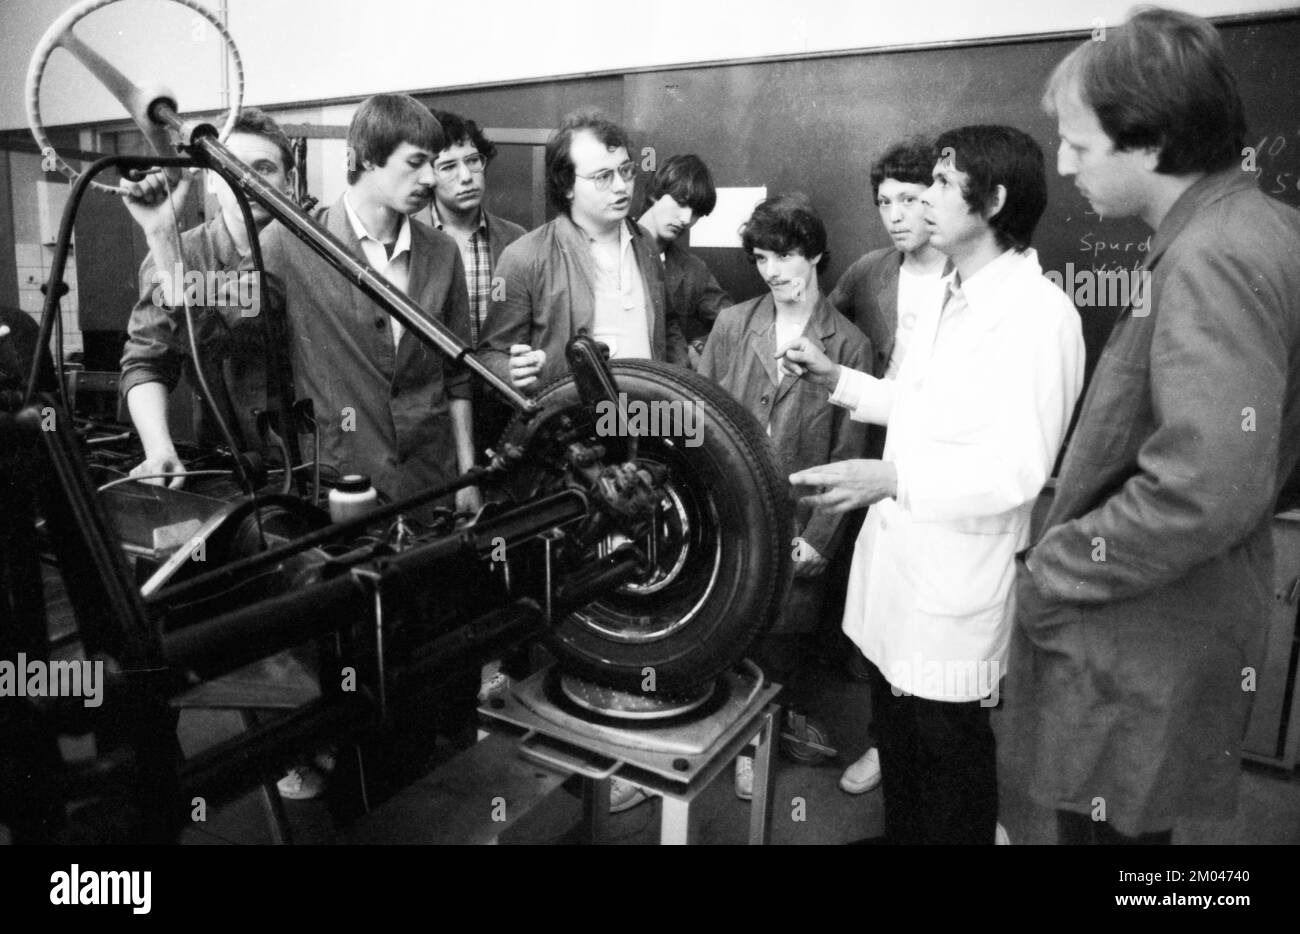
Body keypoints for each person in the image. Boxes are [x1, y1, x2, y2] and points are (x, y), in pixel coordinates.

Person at [1019, 6, 1300, 845]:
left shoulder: (1212, 254)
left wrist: (1056, 564)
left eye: (1079, 143)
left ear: (1148, 142)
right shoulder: (1260, 226)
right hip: (1177, 607)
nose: (1064, 165)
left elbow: (1205, 485)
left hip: (1143, 623)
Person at [785, 126, 1084, 844]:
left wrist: (893, 475)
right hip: (901, 575)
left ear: (996, 200)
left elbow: (1018, 469)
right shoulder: (949, 292)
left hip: (953, 585)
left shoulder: (1040, 318)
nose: (925, 199)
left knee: (947, 756)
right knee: (898, 735)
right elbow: (918, 404)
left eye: (944, 186)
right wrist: (843, 380)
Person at [225, 94, 479, 518]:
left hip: (432, 485)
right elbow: (218, 326)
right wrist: (160, 232)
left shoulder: (442, 252)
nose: (432, 179)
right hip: (342, 490)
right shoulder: (293, 242)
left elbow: (457, 378)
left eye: (433, 163)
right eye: (415, 162)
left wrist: (469, 476)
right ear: (363, 159)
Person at [698, 194, 870, 801]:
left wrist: (820, 538)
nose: (773, 269)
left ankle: (759, 743)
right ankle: (725, 733)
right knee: (726, 624)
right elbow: (705, 421)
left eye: (787, 254)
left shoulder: (848, 343)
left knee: (783, 639)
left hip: (802, 521)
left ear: (816, 253)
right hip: (733, 512)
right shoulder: (732, 324)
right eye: (762, 256)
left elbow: (850, 453)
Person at [826, 138, 950, 797]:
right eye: (883, 201)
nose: (895, 213)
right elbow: (827, 325)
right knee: (875, 607)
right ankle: (884, 742)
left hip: (945, 466)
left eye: (909, 198)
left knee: (932, 618)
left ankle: (943, 778)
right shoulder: (871, 271)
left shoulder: (973, 277)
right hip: (876, 447)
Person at [118, 107, 296, 487]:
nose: (246, 181)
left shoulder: (312, 249)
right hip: (225, 466)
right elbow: (148, 360)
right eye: (231, 168)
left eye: (263, 167)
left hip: (313, 463)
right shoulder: (177, 255)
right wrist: (159, 449)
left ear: (289, 180)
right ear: (212, 181)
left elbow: (239, 323)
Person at [478, 109, 686, 393]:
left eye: (626, 170)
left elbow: (668, 325)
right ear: (566, 186)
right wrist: (509, 371)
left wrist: (677, 382)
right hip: (573, 427)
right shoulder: (524, 257)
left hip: (645, 421)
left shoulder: (646, 243)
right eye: (603, 176)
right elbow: (491, 355)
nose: (621, 186)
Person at [416, 109, 526, 457]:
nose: (466, 177)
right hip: (433, 410)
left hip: (501, 403)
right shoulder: (410, 239)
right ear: (428, 175)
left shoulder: (516, 241)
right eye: (448, 166)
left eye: (473, 161)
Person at [637, 154, 730, 368]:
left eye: (696, 213)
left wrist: (699, 348)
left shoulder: (693, 269)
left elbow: (734, 324)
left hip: (664, 392)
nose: (687, 219)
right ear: (655, 195)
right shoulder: (611, 244)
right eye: (680, 203)